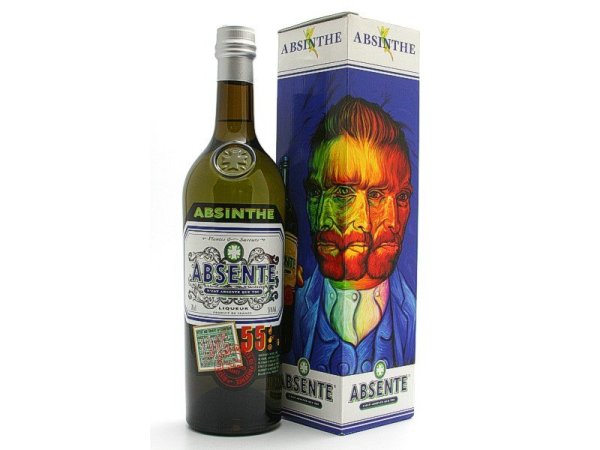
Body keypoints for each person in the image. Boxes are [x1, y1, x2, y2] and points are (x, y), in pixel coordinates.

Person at [284, 96, 416, 375]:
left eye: (401, 196)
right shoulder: (293, 305)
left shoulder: (414, 316)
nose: (322, 218)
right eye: (316, 192)